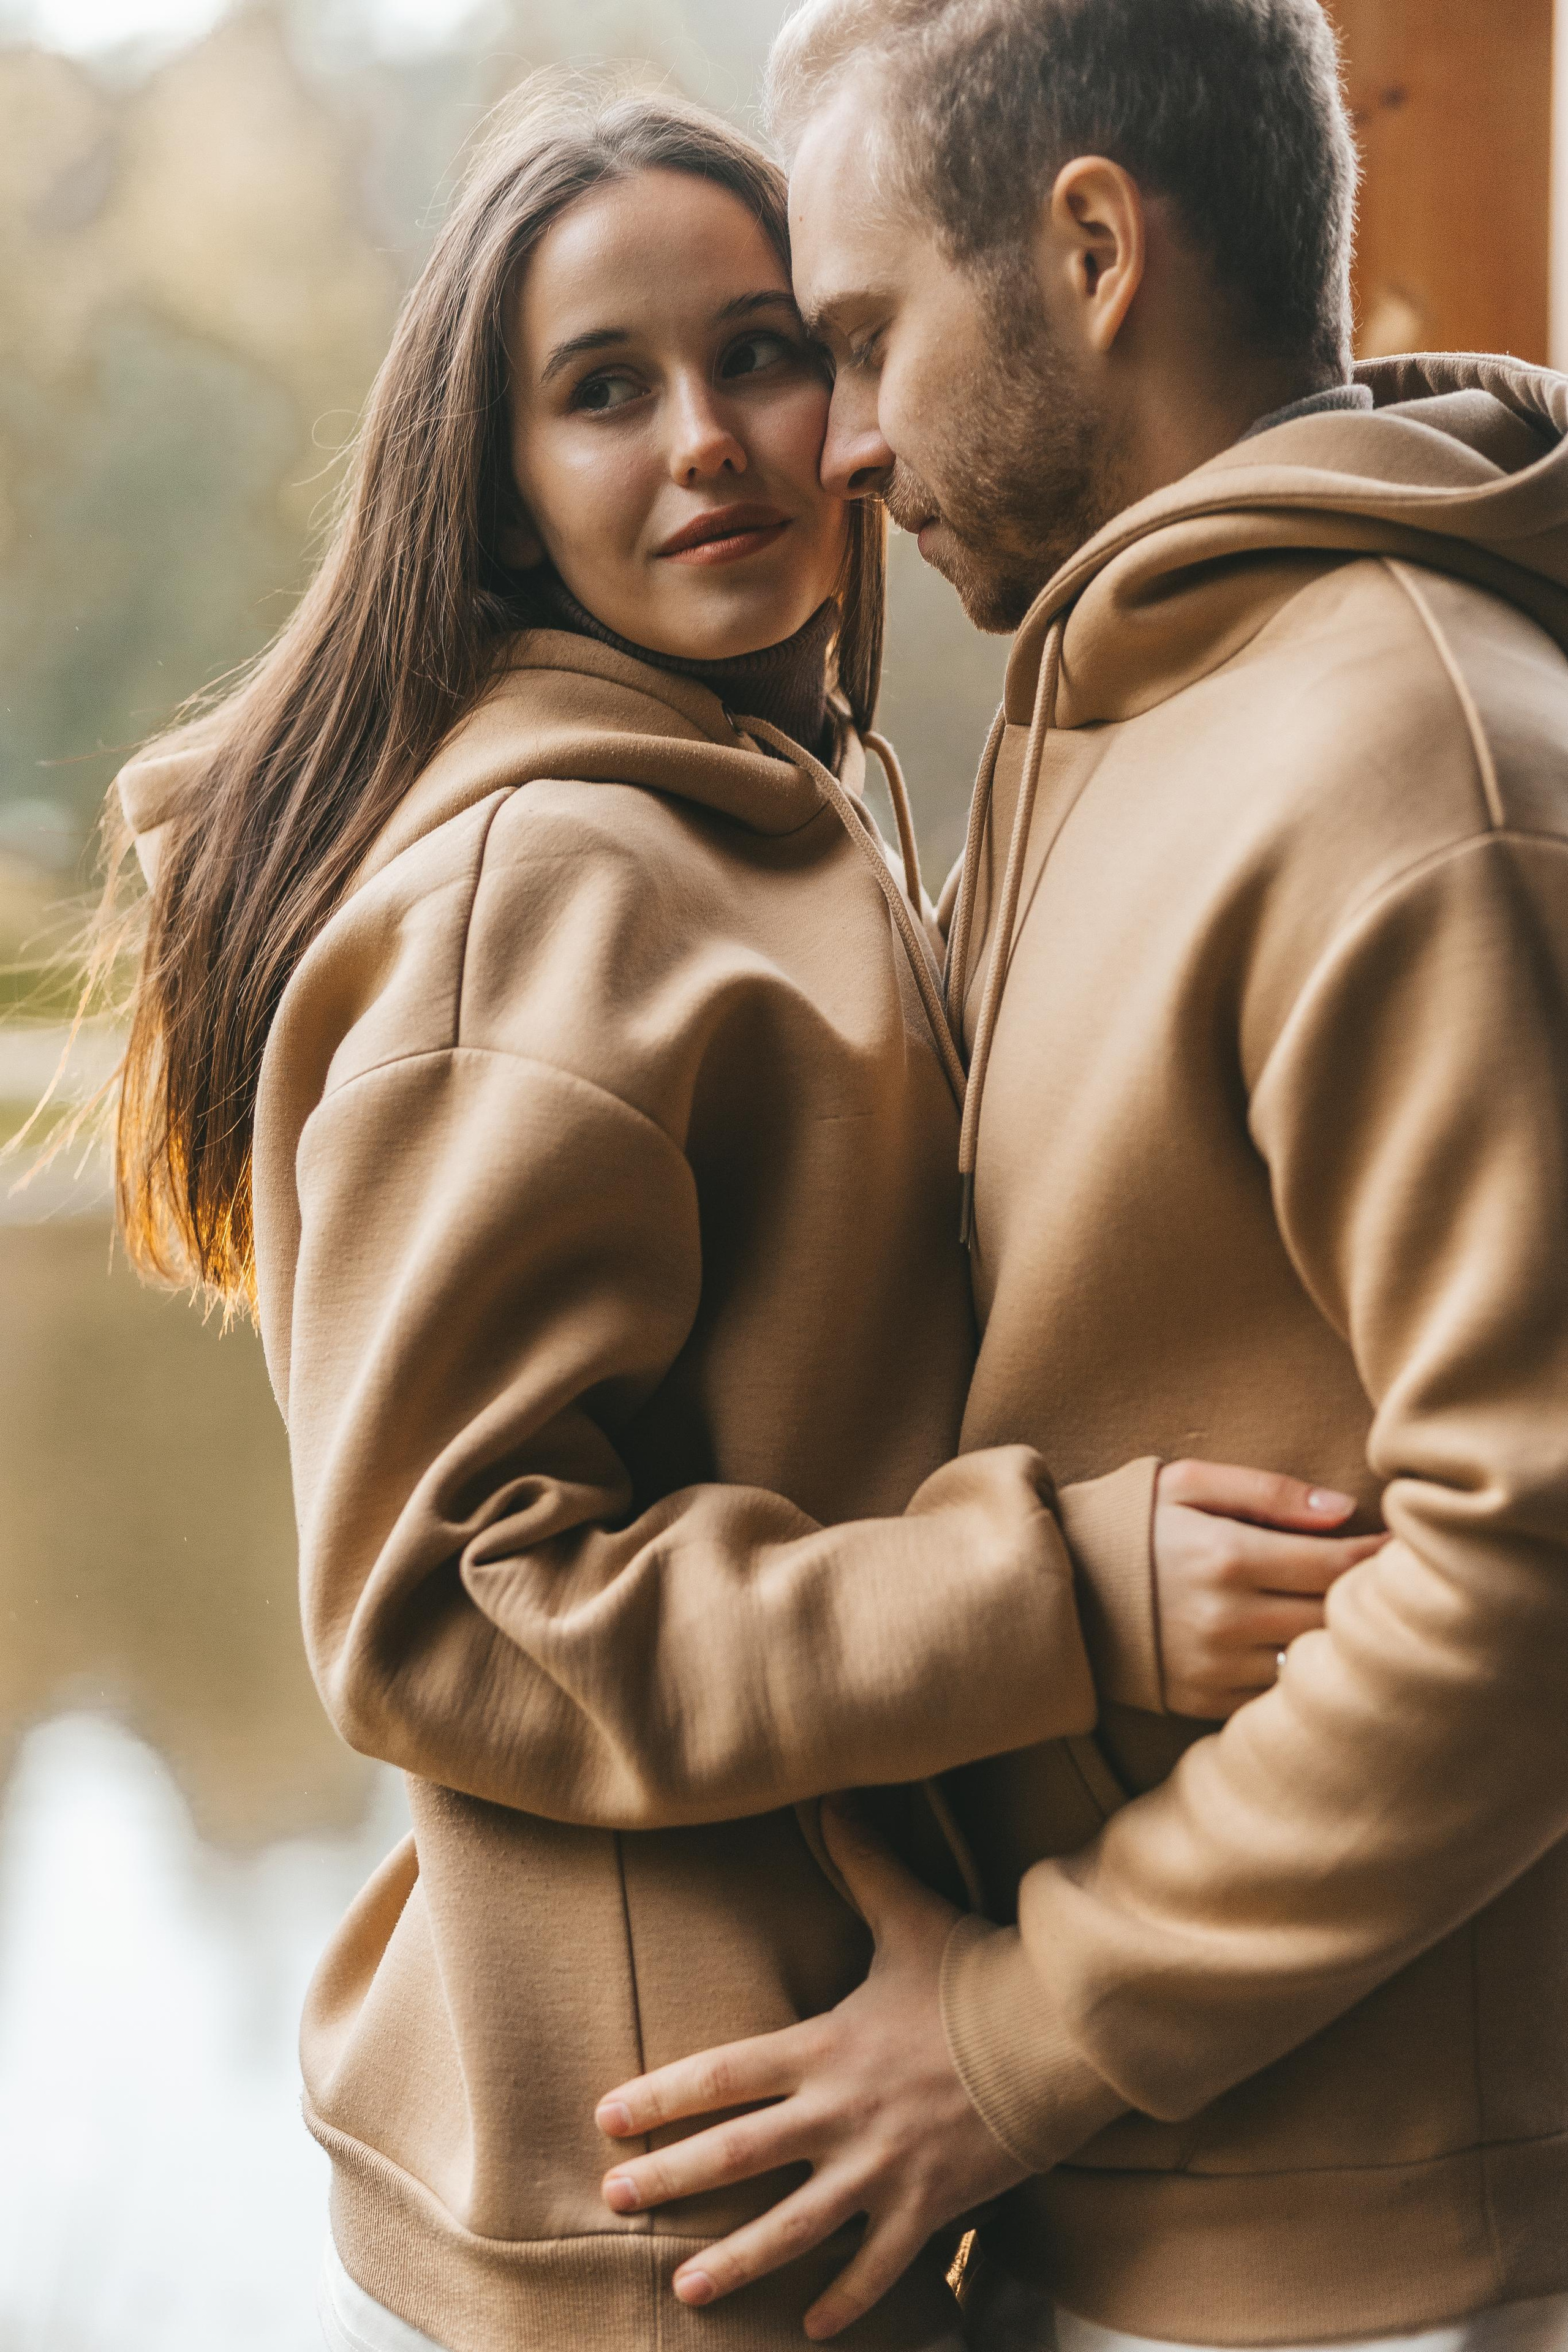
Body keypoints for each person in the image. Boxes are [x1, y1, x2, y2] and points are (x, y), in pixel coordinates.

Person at [103, 70, 1371, 2352]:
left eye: (764, 351)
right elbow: (448, 1603)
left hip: (831, 2096)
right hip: (682, 2188)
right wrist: (1064, 1592)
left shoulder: (768, 800)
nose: (707, 439)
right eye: (605, 390)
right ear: (498, 485)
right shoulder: (541, 887)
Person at [588, 4, 1568, 2350]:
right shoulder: (1124, 705)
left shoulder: (1405, 764)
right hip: (1138, 2215)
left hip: (1360, 2274)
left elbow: (1538, 1560)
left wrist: (1020, 2036)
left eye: (859, 337)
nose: (840, 445)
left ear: (1098, 249)